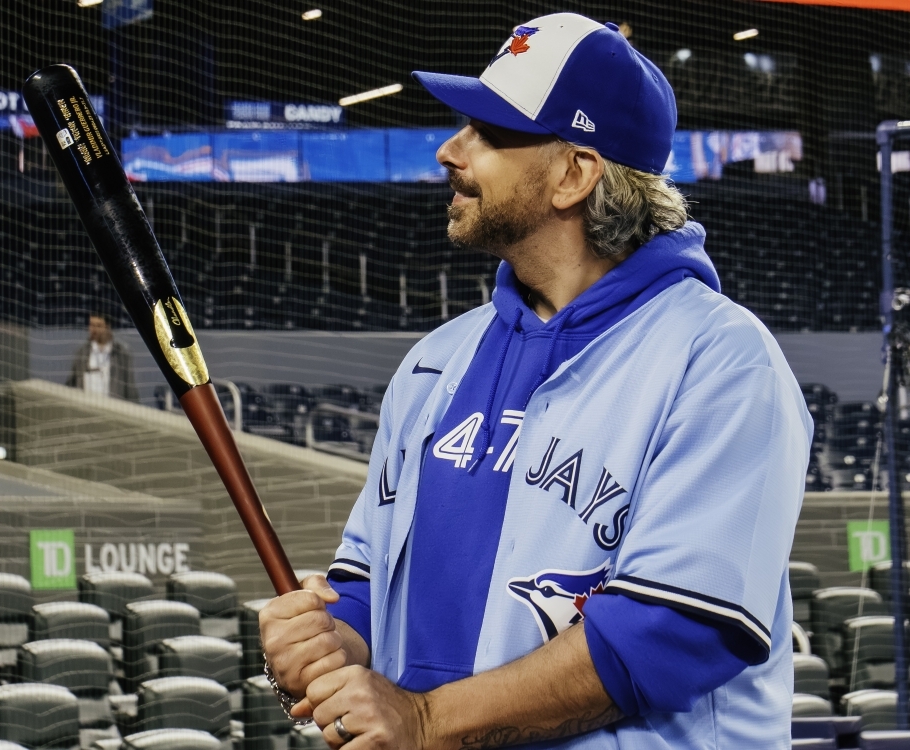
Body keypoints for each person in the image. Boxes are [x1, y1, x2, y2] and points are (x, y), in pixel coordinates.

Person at [260, 13, 811, 749]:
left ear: (574, 174)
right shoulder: (435, 361)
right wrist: (327, 639)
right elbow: (369, 586)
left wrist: (427, 721)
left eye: (488, 133)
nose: (449, 150)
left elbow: (672, 632)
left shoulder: (720, 360)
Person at [66, 311, 139, 402]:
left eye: (98, 326)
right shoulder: (82, 353)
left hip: (112, 407)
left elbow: (130, 389)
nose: (94, 330)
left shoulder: (121, 354)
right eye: (91, 325)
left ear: (108, 327)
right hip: (86, 406)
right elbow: (71, 384)